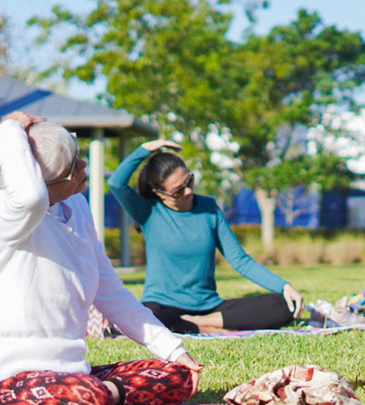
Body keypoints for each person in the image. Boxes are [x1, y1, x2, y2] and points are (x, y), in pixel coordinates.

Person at [0, 112, 201, 405]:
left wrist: (173, 351)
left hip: (69, 377)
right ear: (41, 183)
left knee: (179, 376)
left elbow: (111, 291)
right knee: (90, 399)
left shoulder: (77, 206)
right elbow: (30, 198)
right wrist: (9, 129)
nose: (83, 167)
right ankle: (100, 394)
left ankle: (100, 392)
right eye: (72, 167)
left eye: (78, 155)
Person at [108, 140, 304, 334]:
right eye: (178, 191)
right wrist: (145, 149)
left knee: (283, 304)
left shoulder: (209, 208)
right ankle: (202, 328)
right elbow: (116, 183)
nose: (188, 191)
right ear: (159, 193)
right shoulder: (148, 212)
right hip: (163, 307)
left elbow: (240, 260)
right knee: (148, 315)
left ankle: (198, 323)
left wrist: (284, 286)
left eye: (189, 181)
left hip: (209, 308)